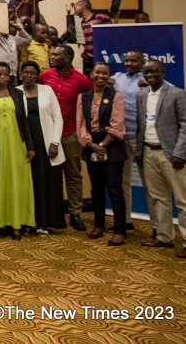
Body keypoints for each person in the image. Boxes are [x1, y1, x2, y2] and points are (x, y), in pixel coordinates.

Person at [135, 60, 186, 258]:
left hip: (173, 156)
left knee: (183, 200)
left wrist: (179, 153)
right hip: (148, 152)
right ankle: (164, 236)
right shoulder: (141, 95)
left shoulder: (178, 93)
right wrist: (139, 152)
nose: (150, 75)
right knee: (158, 198)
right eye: (146, 72)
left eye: (154, 71)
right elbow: (141, 126)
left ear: (162, 72)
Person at [38, 45, 92, 231]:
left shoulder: (82, 81)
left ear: (67, 58)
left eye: (56, 54)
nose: (52, 57)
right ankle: (53, 214)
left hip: (70, 134)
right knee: (51, 176)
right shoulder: (45, 76)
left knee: (73, 175)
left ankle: (75, 214)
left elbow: (89, 105)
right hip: (47, 134)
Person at [76, 63, 127, 246]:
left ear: (108, 76)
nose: (101, 76)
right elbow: (81, 124)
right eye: (97, 72)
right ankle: (99, 225)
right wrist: (91, 145)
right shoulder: (83, 97)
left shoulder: (116, 96)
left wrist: (102, 145)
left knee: (115, 190)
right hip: (91, 146)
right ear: (91, 74)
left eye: (105, 73)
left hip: (112, 146)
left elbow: (117, 124)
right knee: (96, 189)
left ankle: (120, 230)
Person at [17, 61, 67, 233]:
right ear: (20, 73)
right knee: (28, 183)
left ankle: (45, 223)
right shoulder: (15, 92)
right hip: (25, 144)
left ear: (37, 75)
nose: (28, 75)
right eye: (25, 72)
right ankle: (28, 221)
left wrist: (55, 142)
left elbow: (58, 117)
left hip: (46, 143)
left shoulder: (47, 90)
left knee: (46, 183)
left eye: (32, 73)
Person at [0, 63, 35, 240]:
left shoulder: (18, 93)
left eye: (5, 74)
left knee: (17, 183)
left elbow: (24, 121)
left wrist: (30, 146)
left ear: (10, 76)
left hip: (16, 144)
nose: (1, 77)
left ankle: (17, 224)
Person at [111, 50, 145, 228]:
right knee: (124, 181)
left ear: (142, 62)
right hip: (121, 137)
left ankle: (157, 227)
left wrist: (149, 83)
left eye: (134, 61)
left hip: (141, 138)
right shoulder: (117, 78)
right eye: (127, 60)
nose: (129, 63)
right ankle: (126, 221)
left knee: (149, 183)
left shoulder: (149, 80)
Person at [63, 0, 111, 77]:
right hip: (87, 60)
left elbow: (110, 35)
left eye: (75, 8)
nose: (74, 10)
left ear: (83, 6)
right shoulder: (81, 24)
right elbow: (68, 34)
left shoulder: (101, 17)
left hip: (101, 58)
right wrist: (69, 13)